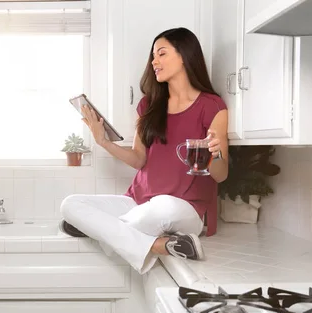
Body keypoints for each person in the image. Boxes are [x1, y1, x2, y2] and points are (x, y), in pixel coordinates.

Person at [60, 27, 229, 274]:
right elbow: (139, 159)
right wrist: (104, 142)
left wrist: (216, 154)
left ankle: (95, 230)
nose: (154, 62)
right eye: (153, 56)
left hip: (185, 209)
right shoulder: (148, 105)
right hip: (138, 202)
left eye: (162, 54)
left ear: (184, 55)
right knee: (70, 205)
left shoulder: (212, 106)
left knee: (163, 206)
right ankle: (160, 245)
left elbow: (221, 175)